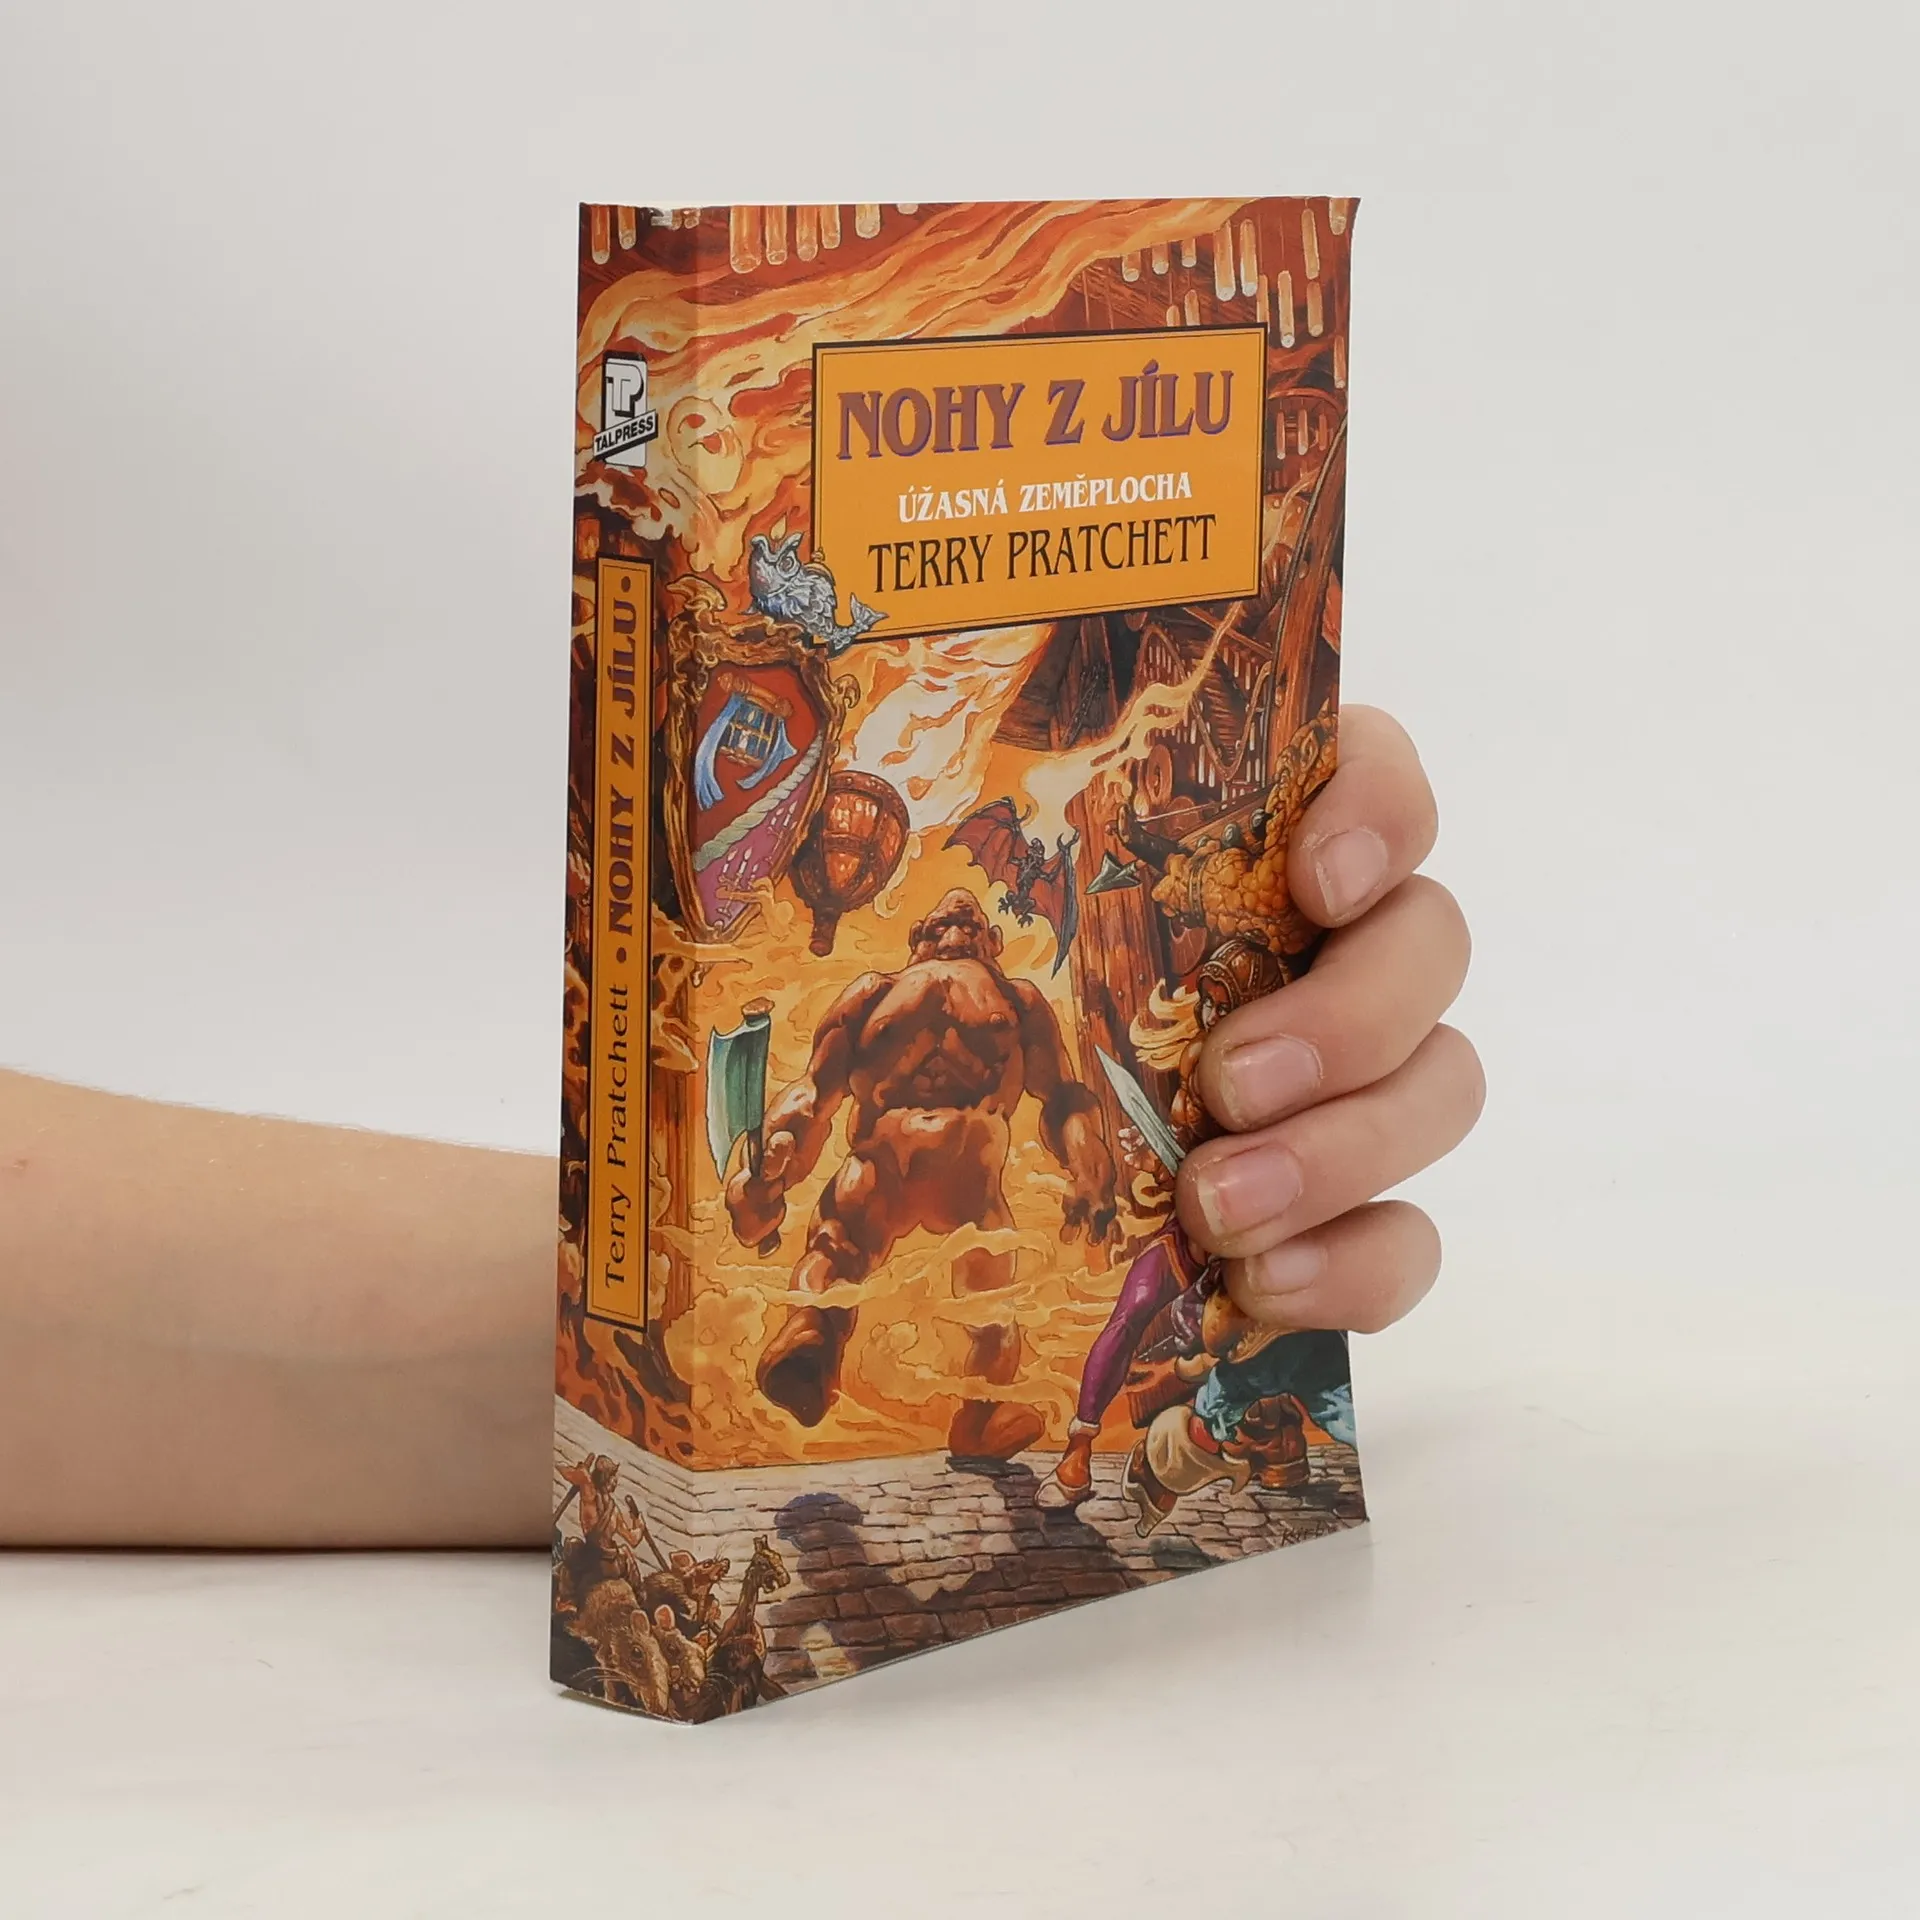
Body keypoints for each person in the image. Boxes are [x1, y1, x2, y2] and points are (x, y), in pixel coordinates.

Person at [0, 709, 1481, 1547]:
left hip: (908, 1174)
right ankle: (936, 1377)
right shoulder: (978, 1006)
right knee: (936, 1271)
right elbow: (987, 1101)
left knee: (876, 1262)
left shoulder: (921, 1002)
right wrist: (1077, 1191)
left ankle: (870, 1351)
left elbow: (876, 1104)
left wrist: (697, 1272)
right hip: (943, 1172)